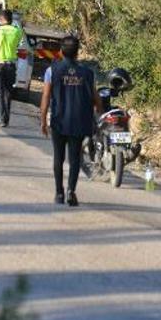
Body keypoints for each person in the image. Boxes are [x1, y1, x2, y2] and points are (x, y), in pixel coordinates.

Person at [40, 36, 101, 206]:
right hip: (79, 121)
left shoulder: (52, 71)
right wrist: (99, 115)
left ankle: (58, 193)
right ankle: (71, 191)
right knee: (74, 158)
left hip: (59, 121)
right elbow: (96, 98)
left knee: (58, 158)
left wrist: (43, 119)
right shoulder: (88, 73)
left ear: (60, 51)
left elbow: (45, 96)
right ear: (77, 52)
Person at [0, 9, 23, 127]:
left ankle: (2, 119)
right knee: (8, 91)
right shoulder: (18, 32)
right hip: (11, 65)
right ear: (11, 19)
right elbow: (19, 45)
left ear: (1, 19)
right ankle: (6, 119)